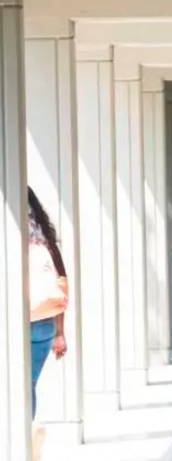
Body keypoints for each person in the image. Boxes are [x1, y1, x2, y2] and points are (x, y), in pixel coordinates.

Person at [27, 187, 69, 460]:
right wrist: (61, 333)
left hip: (16, 324)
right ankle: (28, 438)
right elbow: (62, 285)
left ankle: (25, 439)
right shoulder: (48, 243)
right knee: (27, 383)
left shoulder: (10, 239)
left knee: (21, 386)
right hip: (44, 326)